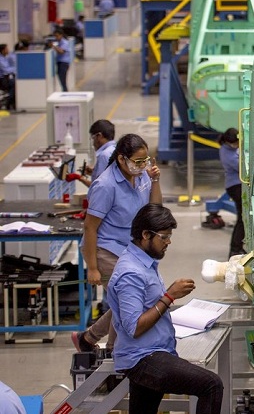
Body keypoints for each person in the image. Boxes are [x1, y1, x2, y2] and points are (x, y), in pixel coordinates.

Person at [108, 204, 224, 414]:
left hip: (154, 352)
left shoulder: (143, 263)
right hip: (143, 358)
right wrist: (170, 296)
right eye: (164, 237)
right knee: (211, 385)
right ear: (145, 235)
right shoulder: (131, 273)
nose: (168, 242)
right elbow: (134, 327)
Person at [72, 134, 162, 353]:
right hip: (105, 248)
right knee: (129, 298)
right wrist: (93, 268)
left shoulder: (141, 176)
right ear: (122, 159)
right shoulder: (105, 185)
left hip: (129, 250)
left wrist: (155, 181)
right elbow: (90, 228)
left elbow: (155, 210)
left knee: (128, 299)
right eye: (137, 161)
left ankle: (89, 339)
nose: (142, 165)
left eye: (145, 161)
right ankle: (114, 352)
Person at [219, 128, 246, 258]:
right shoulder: (227, 154)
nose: (237, 145)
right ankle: (235, 249)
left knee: (243, 218)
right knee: (242, 218)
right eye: (236, 143)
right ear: (228, 142)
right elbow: (243, 168)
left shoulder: (230, 149)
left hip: (237, 185)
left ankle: (237, 247)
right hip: (235, 187)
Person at [67, 120, 116, 187]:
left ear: (99, 136)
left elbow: (99, 187)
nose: (93, 143)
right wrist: (94, 172)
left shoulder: (104, 155)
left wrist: (78, 177)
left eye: (93, 138)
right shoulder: (114, 149)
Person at [51, 28, 72, 92]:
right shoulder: (57, 42)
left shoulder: (65, 43)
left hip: (64, 63)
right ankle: (64, 90)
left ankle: (65, 91)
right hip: (59, 62)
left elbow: (61, 51)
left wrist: (54, 47)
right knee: (60, 77)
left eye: (57, 36)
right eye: (55, 36)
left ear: (61, 35)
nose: (56, 37)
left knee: (63, 78)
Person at [0, 44, 16, 111]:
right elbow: (6, 70)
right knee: (14, 83)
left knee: (15, 82)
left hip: (6, 77)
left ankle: (12, 103)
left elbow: (10, 68)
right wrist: (16, 69)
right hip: (2, 79)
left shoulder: (5, 58)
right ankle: (8, 102)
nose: (8, 50)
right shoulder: (0, 59)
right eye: (6, 49)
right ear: (2, 50)